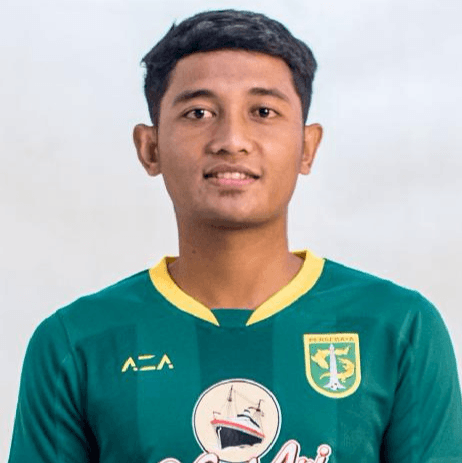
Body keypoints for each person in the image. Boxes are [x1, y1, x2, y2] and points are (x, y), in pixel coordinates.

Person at [8, 9, 462, 463]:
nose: (231, 139)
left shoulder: (399, 328)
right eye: (199, 112)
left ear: (307, 147)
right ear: (150, 148)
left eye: (263, 112)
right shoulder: (76, 343)